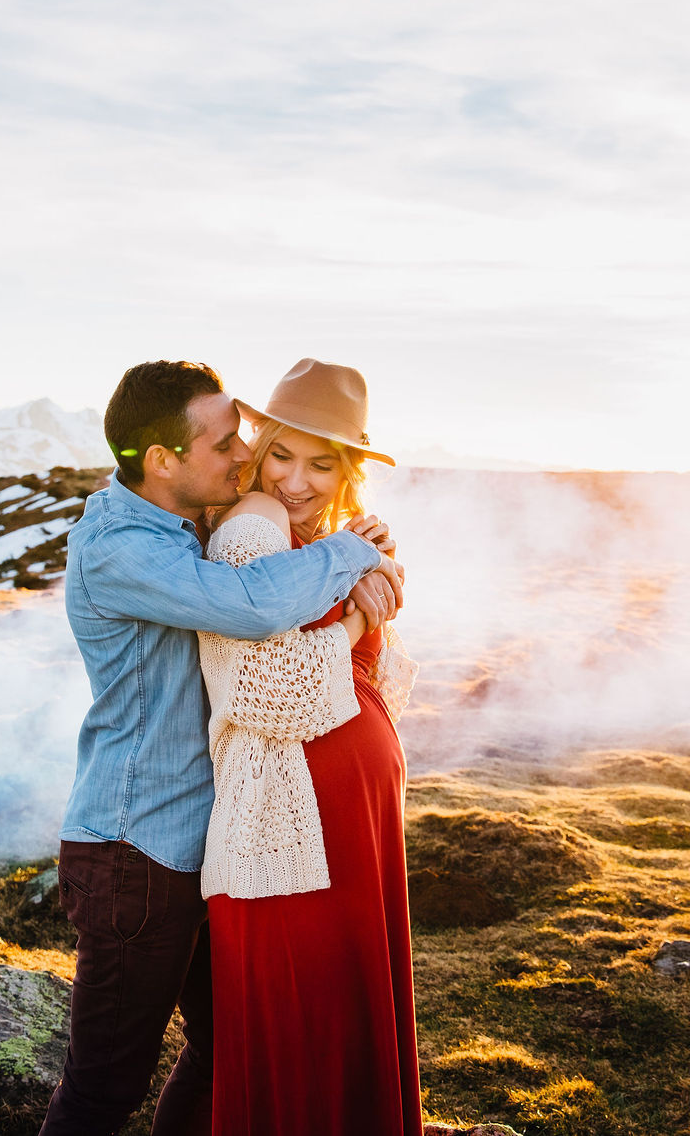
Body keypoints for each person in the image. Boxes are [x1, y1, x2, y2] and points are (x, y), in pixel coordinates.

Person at [39, 360, 407, 1136]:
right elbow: (248, 607)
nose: (241, 455)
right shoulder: (121, 547)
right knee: (104, 1087)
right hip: (135, 850)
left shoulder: (183, 522)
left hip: (197, 843)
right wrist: (354, 563)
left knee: (222, 1049)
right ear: (162, 460)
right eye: (226, 441)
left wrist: (350, 553)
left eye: (245, 435)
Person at [195, 357, 421, 1136]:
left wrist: (372, 570)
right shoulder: (253, 524)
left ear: (347, 469)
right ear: (259, 445)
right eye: (283, 453)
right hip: (288, 831)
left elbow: (359, 675)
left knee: (340, 1014)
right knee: (309, 1028)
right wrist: (361, 615)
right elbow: (271, 689)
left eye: (322, 464)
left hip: (341, 824)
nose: (296, 479)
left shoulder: (317, 537)